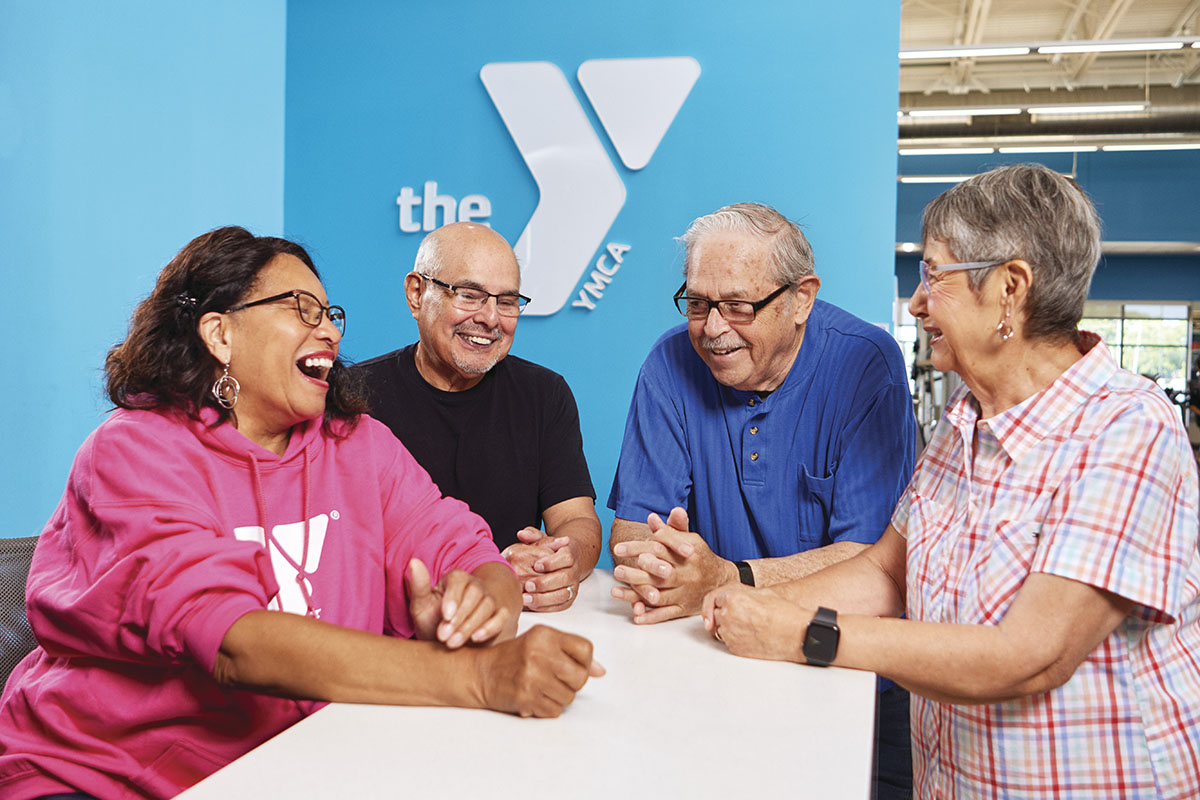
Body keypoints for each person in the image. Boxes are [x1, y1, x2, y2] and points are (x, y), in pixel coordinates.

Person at [0, 227, 603, 800]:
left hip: (297, 764)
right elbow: (234, 644)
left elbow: (463, 545)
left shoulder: (358, 442)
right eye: (301, 310)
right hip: (106, 776)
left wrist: (479, 603)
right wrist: (481, 679)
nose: (331, 333)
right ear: (220, 334)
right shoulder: (135, 452)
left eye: (330, 314)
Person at [703, 165, 1200, 799]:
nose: (915, 302)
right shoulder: (963, 421)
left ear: (1010, 289)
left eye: (934, 275)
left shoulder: (1125, 427)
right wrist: (752, 596)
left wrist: (802, 633)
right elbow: (888, 573)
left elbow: (1032, 655)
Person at [607, 202, 917, 798]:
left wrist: (727, 577)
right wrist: (662, 564)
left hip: (845, 676)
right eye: (698, 303)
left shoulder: (866, 364)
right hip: (709, 669)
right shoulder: (669, 363)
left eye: (739, 306)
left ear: (801, 298)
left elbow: (873, 560)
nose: (714, 328)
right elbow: (631, 535)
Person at [350, 222, 601, 612]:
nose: (490, 318)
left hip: (509, 619)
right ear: (416, 294)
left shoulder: (544, 394)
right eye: (469, 295)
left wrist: (561, 562)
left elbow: (577, 520)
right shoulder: (352, 398)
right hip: (391, 625)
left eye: (507, 301)